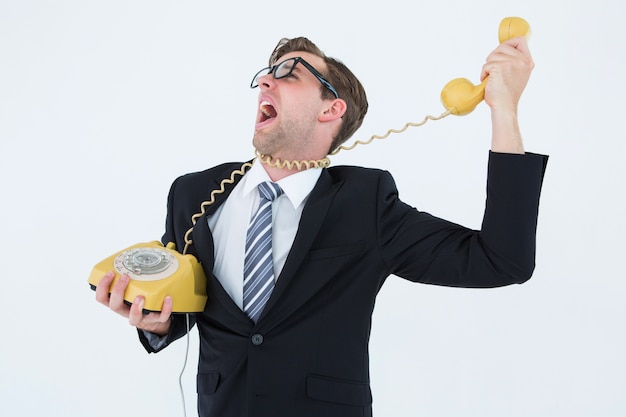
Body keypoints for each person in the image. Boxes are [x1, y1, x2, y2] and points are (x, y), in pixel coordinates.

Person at [95, 35, 548, 417]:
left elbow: (501, 260)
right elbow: (185, 306)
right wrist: (156, 325)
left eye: (290, 73)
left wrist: (503, 110)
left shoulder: (366, 201)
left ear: (331, 109)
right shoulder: (192, 193)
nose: (266, 79)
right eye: (267, 72)